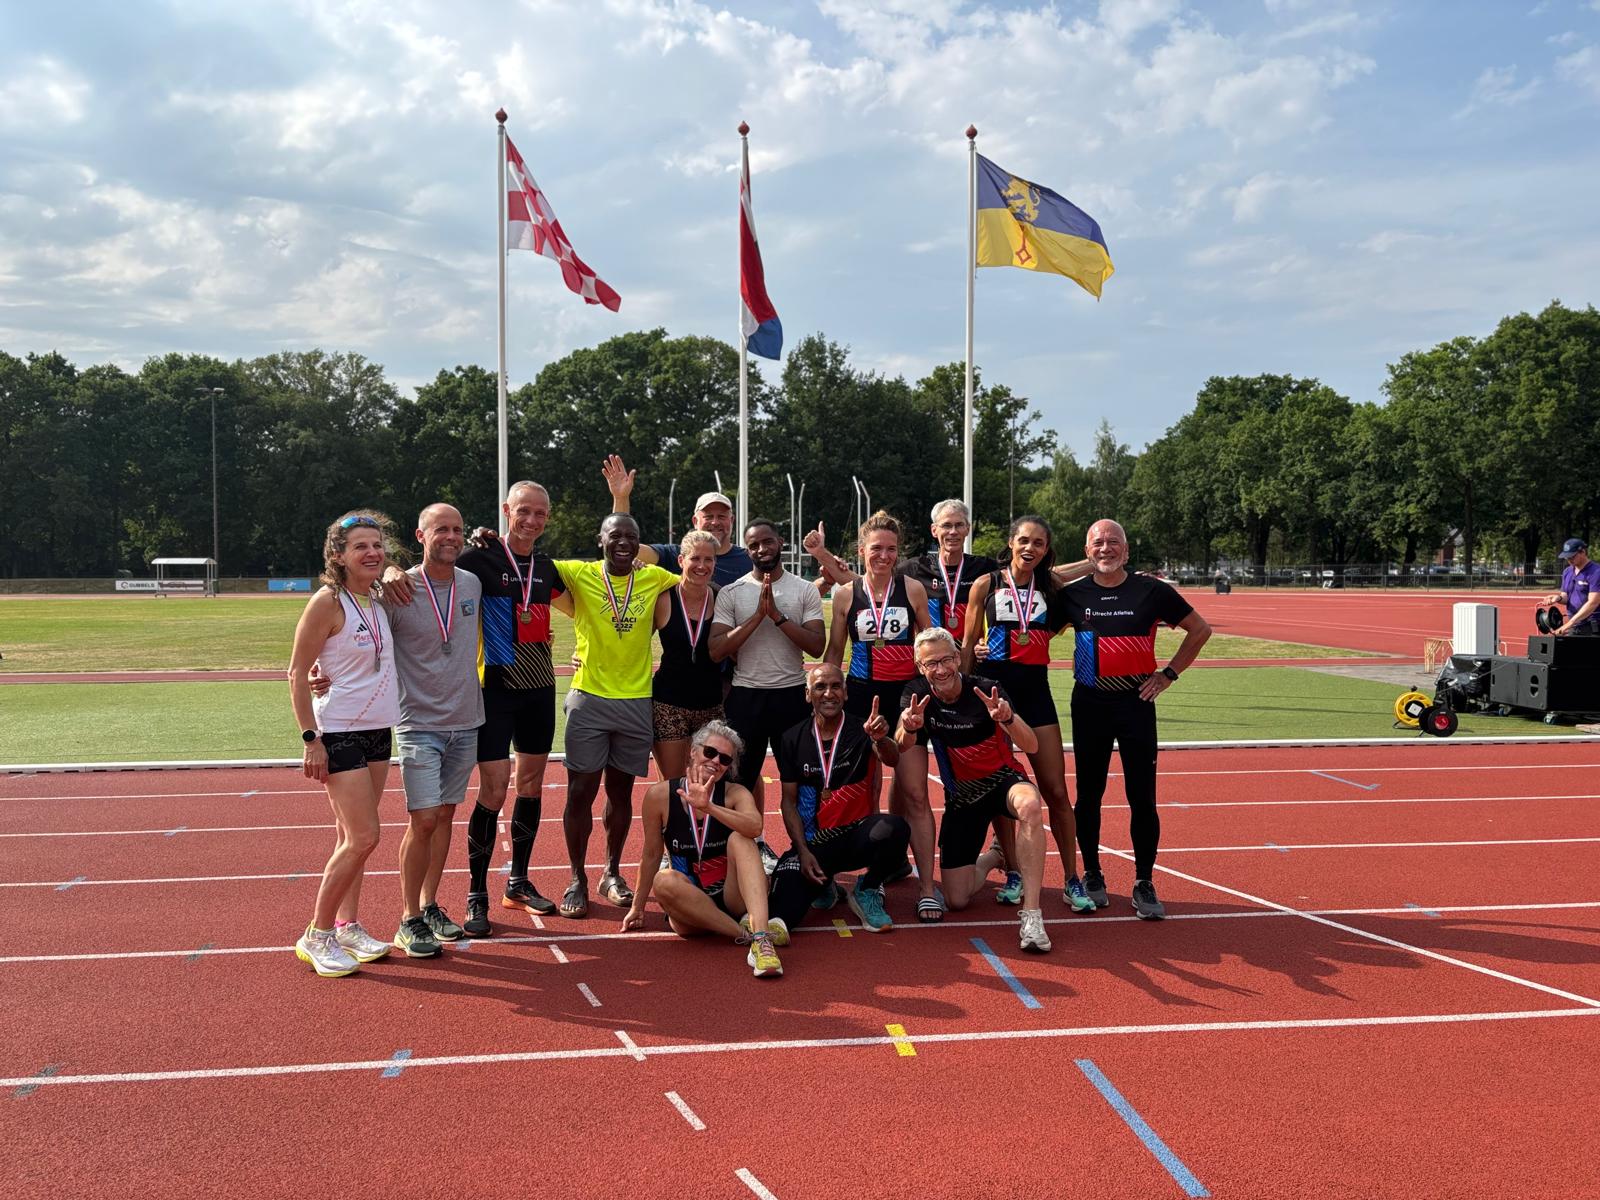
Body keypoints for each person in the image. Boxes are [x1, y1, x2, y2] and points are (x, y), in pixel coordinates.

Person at [386, 482, 571, 937]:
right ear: (507, 511)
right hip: (496, 692)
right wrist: (390, 567)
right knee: (493, 789)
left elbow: (587, 606)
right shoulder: (477, 559)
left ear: (548, 518)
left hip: (540, 690)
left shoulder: (550, 567)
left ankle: (518, 882)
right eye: (523, 511)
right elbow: (432, 563)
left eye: (540, 513)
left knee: (531, 786)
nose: (531, 520)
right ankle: (476, 894)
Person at [1057, 519, 1211, 920]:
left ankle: (1144, 881)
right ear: (1087, 551)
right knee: (1088, 795)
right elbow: (1035, 632)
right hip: (1089, 703)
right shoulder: (1072, 595)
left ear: (1126, 551)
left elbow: (1200, 630)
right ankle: (1092, 874)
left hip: (1136, 703)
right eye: (1098, 543)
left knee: (1142, 796)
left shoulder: (1152, 590)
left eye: (1114, 542)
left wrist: (1169, 674)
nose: (1106, 548)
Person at [286, 511, 403, 977]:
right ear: (338, 555)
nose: (372, 553)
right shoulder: (327, 601)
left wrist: (391, 571)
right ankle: (316, 935)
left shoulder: (375, 599)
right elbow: (297, 672)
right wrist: (310, 739)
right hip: (339, 732)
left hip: (379, 730)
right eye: (360, 546)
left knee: (351, 837)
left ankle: (347, 925)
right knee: (363, 836)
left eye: (377, 545)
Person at [962, 515, 1094, 914]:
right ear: (1011, 542)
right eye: (1023, 540)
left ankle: (1072, 878)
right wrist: (965, 693)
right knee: (998, 788)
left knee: (1056, 790)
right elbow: (968, 644)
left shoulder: (1051, 587)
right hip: (993, 692)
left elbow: (1064, 603)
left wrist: (1094, 561)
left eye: (1038, 543)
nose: (1029, 548)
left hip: (1036, 694)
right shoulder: (985, 584)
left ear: (1046, 550)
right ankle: (1014, 873)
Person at [552, 513, 680, 918]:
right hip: (589, 697)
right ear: (600, 540)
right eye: (615, 536)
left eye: (631, 536)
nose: (623, 542)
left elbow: (700, 576)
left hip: (636, 700)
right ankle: (577, 876)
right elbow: (526, 566)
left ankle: (611, 872)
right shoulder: (579, 573)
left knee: (621, 794)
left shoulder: (655, 577)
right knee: (580, 792)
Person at [895, 628, 1051, 952]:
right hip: (963, 797)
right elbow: (901, 744)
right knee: (956, 899)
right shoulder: (916, 694)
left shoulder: (986, 688)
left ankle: (1032, 915)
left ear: (957, 658)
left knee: (1030, 805)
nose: (940, 670)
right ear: (920, 666)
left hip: (1002, 781)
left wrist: (1008, 719)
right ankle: (996, 855)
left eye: (946, 660)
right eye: (931, 663)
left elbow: (1032, 745)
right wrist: (909, 728)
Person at [820, 512, 934, 918]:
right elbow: (836, 650)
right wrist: (820, 689)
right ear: (861, 550)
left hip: (905, 696)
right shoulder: (846, 594)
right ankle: (868, 876)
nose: (883, 556)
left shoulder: (913, 589)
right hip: (861, 697)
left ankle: (927, 887)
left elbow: (928, 642)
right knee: (862, 790)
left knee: (915, 792)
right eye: (876, 549)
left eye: (891, 549)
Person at [384, 503, 483, 957]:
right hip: (418, 724)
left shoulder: (471, 583)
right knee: (422, 819)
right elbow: (362, 635)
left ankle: (429, 906)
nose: (451, 537)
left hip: (466, 721)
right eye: (441, 529)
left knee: (444, 816)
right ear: (420, 535)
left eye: (457, 529)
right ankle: (408, 918)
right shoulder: (397, 589)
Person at [620, 722, 784, 977]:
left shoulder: (735, 793)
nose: (716, 761)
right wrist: (637, 907)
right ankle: (746, 934)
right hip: (690, 910)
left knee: (741, 840)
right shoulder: (659, 796)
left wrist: (709, 808)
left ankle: (761, 940)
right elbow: (651, 854)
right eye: (710, 752)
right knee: (663, 880)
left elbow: (754, 827)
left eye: (725, 759)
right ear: (693, 751)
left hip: (732, 898)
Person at [769, 663, 909, 935]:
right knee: (781, 910)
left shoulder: (863, 729)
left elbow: (892, 759)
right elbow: (788, 802)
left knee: (895, 828)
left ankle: (867, 888)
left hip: (857, 837)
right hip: (815, 845)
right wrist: (802, 851)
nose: (828, 693)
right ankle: (825, 884)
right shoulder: (791, 738)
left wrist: (881, 740)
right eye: (820, 687)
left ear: (845, 692)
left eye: (835, 686)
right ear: (808, 694)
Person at [710, 519, 826, 801]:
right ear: (746, 550)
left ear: (780, 542)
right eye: (754, 545)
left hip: (791, 697)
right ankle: (742, 832)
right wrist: (757, 617)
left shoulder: (804, 589)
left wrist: (777, 616)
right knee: (737, 784)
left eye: (767, 542)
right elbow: (716, 650)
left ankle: (801, 832)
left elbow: (816, 646)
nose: (762, 549)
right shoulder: (732, 592)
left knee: (799, 785)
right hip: (746, 697)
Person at [601, 455, 753, 586]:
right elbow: (627, 548)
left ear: (732, 520)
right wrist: (621, 498)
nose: (715, 522)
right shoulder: (674, 555)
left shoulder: (749, 560)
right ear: (695, 521)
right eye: (708, 517)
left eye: (721, 516)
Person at [650, 530, 725, 780]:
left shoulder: (721, 597)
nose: (701, 566)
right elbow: (633, 641)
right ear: (681, 561)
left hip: (711, 704)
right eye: (695, 558)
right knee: (672, 784)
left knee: (707, 782)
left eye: (708, 559)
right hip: (668, 703)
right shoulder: (663, 597)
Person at [1541, 539, 1600, 635]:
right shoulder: (1567, 572)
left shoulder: (1596, 572)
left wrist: (1569, 624)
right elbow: (1566, 596)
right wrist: (1558, 598)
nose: (1569, 559)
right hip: (1575, 625)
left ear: (1583, 552)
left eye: (1572, 556)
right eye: (1566, 557)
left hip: (1593, 626)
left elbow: (1593, 602)